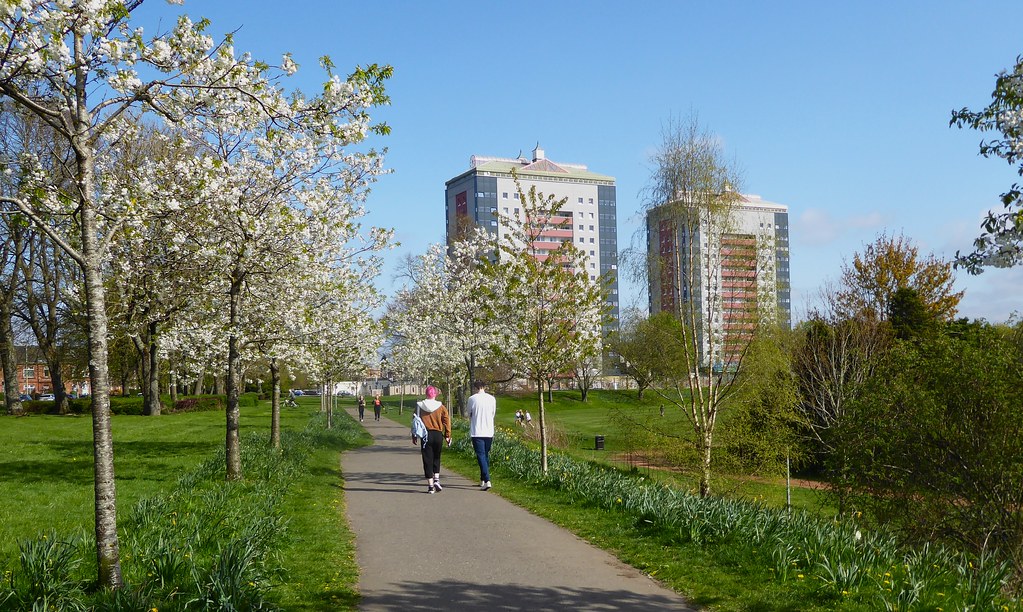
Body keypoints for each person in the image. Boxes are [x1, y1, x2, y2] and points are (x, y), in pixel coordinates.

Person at [416, 386, 451, 494]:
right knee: (437, 457)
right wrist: (447, 435)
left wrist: (414, 435)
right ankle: (437, 479)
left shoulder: (420, 406)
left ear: (426, 394)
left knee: (427, 459)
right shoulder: (441, 407)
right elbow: (447, 421)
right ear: (435, 394)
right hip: (438, 434)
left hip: (426, 435)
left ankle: (431, 486)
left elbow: (415, 421)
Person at [467, 380, 496, 491]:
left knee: (481, 455)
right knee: (485, 455)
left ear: (475, 388)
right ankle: (482, 479)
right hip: (489, 431)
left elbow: (469, 413)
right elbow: (493, 413)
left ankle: (487, 480)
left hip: (477, 431)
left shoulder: (472, 399)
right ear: (484, 387)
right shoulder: (492, 399)